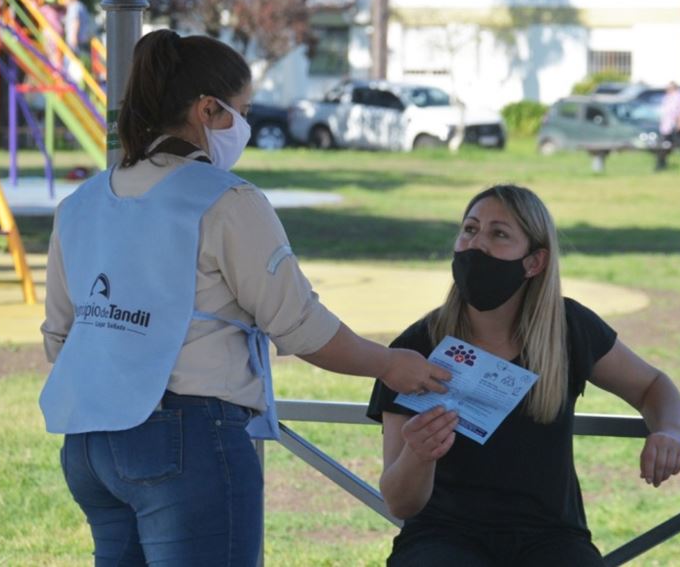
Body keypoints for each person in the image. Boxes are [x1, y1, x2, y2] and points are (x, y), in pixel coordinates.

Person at [39, 29, 450, 566]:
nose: (247, 125)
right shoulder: (227, 201)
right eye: (242, 110)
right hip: (186, 437)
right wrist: (390, 364)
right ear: (207, 109)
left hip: (90, 443)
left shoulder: (81, 202)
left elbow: (59, 340)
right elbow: (303, 327)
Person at [367, 185, 680, 566]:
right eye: (469, 229)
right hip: (441, 538)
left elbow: (653, 386)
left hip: (551, 538)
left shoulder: (568, 328)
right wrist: (418, 455)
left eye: (498, 234)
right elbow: (400, 501)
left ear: (534, 262)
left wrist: (669, 430)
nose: (476, 245)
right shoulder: (415, 347)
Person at [58, 0, 95, 84]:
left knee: (70, 69)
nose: (63, 1)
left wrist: (73, 39)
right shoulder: (80, 6)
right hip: (82, 43)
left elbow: (75, 22)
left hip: (75, 44)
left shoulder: (74, 7)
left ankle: (71, 87)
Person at [655, 82, 680, 171]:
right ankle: (661, 164)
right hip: (666, 126)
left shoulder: (679, 97)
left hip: (676, 126)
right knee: (664, 145)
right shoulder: (667, 97)